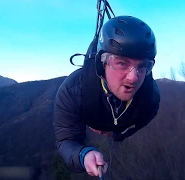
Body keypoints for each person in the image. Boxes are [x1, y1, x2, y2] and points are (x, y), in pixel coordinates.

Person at [53, 15, 160, 177]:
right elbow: (66, 140)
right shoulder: (73, 91)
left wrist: (117, 134)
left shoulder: (150, 98)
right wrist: (84, 155)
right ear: (102, 63)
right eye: (122, 63)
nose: (133, 77)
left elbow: (140, 123)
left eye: (142, 66)